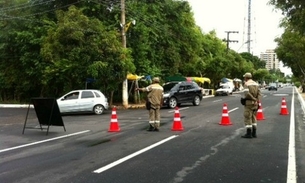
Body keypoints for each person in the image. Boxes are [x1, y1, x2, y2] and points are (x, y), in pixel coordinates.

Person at [241, 72, 261, 138]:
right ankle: (254, 133)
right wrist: (257, 100)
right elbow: (259, 94)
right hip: (255, 104)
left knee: (247, 117)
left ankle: (249, 133)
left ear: (246, 78)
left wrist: (253, 99)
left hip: (249, 103)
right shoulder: (256, 84)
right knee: (254, 117)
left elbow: (246, 93)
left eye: (245, 77)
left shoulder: (246, 84)